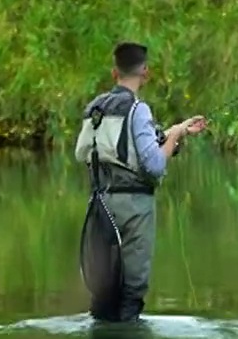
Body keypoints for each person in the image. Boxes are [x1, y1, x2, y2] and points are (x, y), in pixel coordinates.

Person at [74, 42, 208, 322]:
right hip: (134, 207)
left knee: (104, 288)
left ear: (114, 73)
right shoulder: (138, 109)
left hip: (99, 205)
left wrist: (177, 130)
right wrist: (172, 139)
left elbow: (111, 149)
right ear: (145, 72)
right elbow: (154, 165)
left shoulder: (94, 108)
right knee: (131, 290)